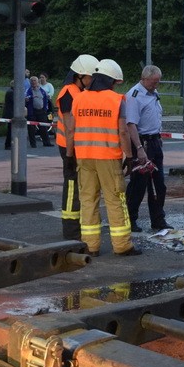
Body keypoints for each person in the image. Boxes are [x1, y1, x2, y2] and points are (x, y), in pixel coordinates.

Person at [65, 58, 140, 257]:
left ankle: (91, 246)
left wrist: (69, 156)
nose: (117, 86)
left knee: (88, 200)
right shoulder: (116, 100)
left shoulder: (79, 98)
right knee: (115, 199)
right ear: (111, 81)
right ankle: (122, 245)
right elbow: (123, 132)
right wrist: (130, 157)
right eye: (116, 82)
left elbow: (70, 130)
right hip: (108, 158)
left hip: (84, 157)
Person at [53, 54, 99, 240]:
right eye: (89, 77)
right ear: (79, 76)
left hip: (76, 147)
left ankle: (77, 226)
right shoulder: (68, 93)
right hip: (68, 148)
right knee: (72, 187)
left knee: (78, 186)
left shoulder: (78, 92)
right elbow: (70, 128)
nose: (92, 81)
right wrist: (70, 155)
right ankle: (71, 230)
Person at [125, 65, 172, 233]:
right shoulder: (134, 96)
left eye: (158, 82)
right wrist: (139, 148)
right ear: (144, 78)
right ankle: (130, 219)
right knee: (138, 184)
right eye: (154, 82)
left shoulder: (153, 93)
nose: (156, 85)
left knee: (159, 184)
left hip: (154, 141)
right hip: (142, 143)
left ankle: (158, 219)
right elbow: (131, 124)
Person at [25, 76, 51, 148]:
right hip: (32, 112)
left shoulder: (42, 91)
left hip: (41, 111)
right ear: (30, 82)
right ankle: (33, 144)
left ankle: (46, 142)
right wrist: (26, 100)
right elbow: (25, 99)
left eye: (35, 81)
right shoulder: (28, 90)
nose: (33, 82)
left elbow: (46, 100)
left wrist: (45, 109)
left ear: (37, 82)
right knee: (31, 128)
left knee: (43, 127)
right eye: (32, 81)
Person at [3, 81, 15, 150]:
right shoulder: (11, 92)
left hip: (10, 112)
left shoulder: (10, 91)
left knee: (11, 129)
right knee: (10, 130)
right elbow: (15, 101)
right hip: (11, 113)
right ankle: (8, 144)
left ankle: (9, 144)